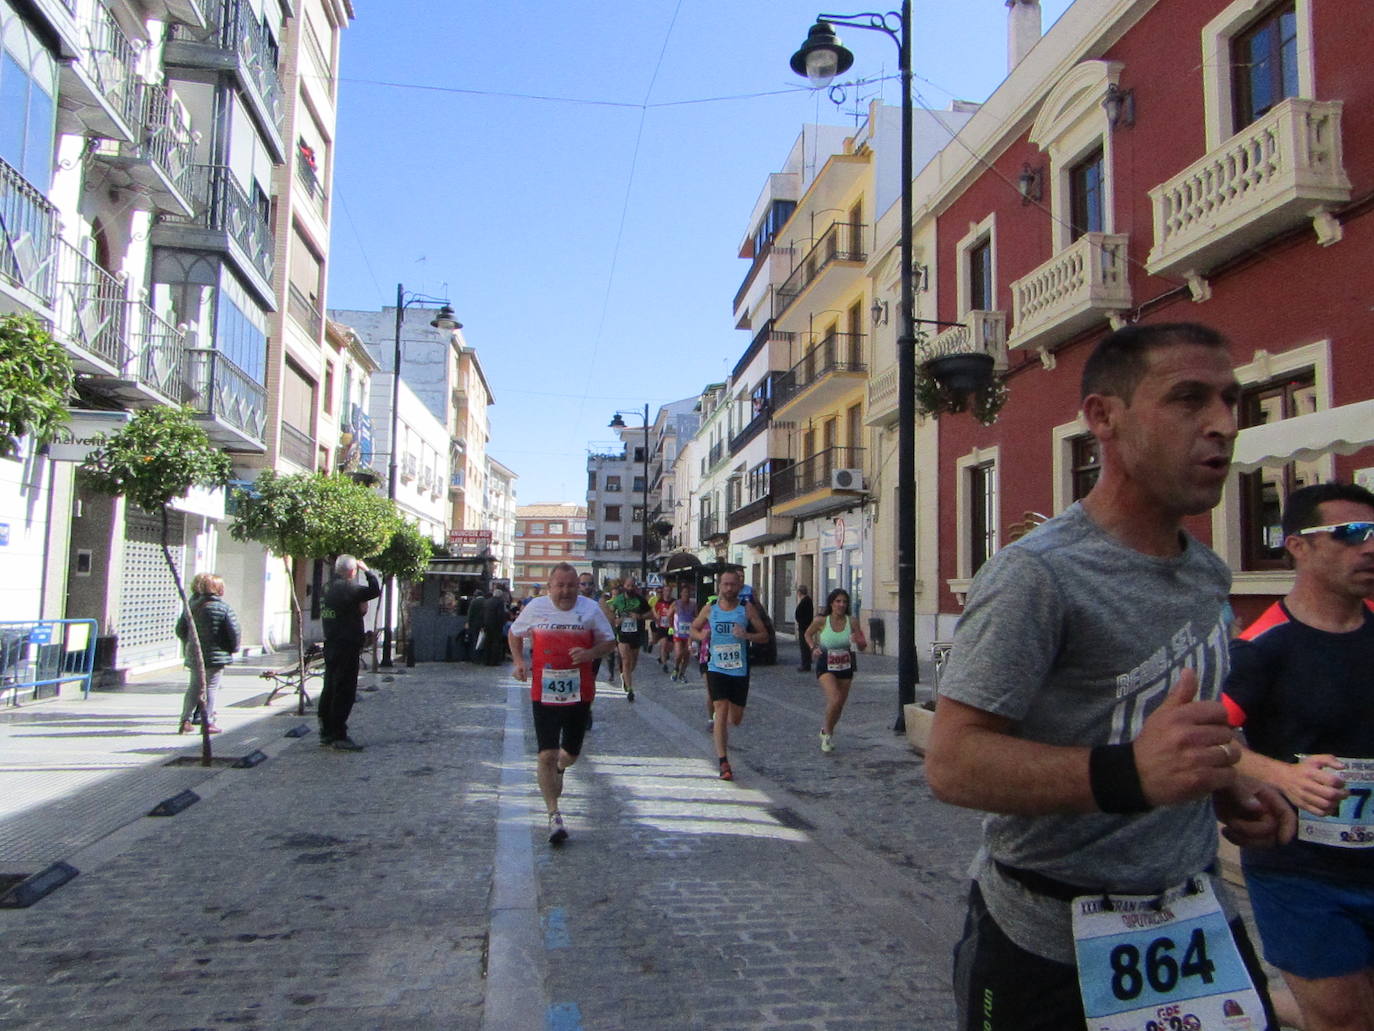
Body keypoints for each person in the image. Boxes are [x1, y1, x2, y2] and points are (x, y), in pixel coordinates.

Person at [926, 323, 1293, 1030]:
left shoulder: (1208, 573)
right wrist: (1131, 774)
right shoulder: (1038, 574)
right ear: (1103, 418)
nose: (1222, 424)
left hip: (1196, 926)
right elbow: (951, 761)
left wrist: (1222, 782)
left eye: (1230, 400)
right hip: (1049, 947)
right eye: (1189, 399)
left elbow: (1159, 726)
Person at [1222, 481, 1374, 1031]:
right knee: (1343, 1018)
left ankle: (1258, 1003)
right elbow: (1208, 736)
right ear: (1298, 547)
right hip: (1303, 872)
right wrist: (1281, 774)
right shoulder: (1265, 646)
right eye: (1350, 534)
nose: (1370, 547)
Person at [508, 562, 617, 844]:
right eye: (560, 585)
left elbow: (609, 642)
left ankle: (561, 767)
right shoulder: (535, 608)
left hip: (579, 692)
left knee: (569, 755)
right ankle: (553, 815)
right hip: (543, 691)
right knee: (545, 754)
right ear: (550, 587)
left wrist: (590, 652)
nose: (566, 591)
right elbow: (514, 633)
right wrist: (520, 662)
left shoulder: (590, 609)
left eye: (571, 585)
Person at [690, 568, 768, 781]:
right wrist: (701, 634)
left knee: (736, 718)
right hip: (716, 667)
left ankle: (721, 725)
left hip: (739, 668)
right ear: (720, 586)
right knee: (721, 710)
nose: (728, 588)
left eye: (733, 584)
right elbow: (693, 629)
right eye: (725, 584)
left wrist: (747, 634)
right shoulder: (711, 608)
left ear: (739, 587)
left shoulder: (746, 608)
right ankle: (723, 762)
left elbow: (764, 636)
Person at [319, 554, 382, 751]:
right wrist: (367, 570)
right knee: (345, 689)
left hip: (331, 642)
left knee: (329, 687)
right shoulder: (348, 588)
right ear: (352, 571)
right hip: (347, 644)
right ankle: (339, 734)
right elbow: (374, 590)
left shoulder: (327, 588)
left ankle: (326, 731)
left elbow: (345, 608)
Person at [174, 572, 240, 734]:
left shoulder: (192, 607)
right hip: (216, 655)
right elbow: (234, 632)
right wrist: (233, 648)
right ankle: (207, 721)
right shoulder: (223, 608)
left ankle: (185, 720)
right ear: (218, 589)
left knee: (194, 687)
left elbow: (180, 629)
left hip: (195, 654)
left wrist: (189, 644)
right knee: (211, 687)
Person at [804, 587, 867, 753]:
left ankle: (827, 732)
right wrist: (813, 648)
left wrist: (858, 640)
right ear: (831, 603)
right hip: (826, 663)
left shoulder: (852, 621)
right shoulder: (821, 621)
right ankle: (826, 733)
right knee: (834, 698)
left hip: (846, 664)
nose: (841, 605)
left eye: (844, 602)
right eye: (838, 601)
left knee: (839, 705)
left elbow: (862, 646)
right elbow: (807, 634)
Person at [604, 576, 650, 702]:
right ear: (624, 586)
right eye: (628, 586)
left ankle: (625, 675)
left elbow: (651, 614)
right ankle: (630, 689)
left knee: (633, 661)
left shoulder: (640, 600)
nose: (630, 588)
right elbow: (610, 613)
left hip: (636, 634)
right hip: (622, 634)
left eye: (632, 586)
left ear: (635, 587)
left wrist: (639, 616)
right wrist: (615, 620)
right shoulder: (618, 600)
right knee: (625, 659)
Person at [670, 583, 696, 683]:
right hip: (678, 633)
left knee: (686, 655)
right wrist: (671, 627)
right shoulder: (675, 603)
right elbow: (669, 615)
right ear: (681, 593)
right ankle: (676, 668)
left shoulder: (693, 604)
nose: (686, 594)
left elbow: (696, 617)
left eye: (688, 593)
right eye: (684, 592)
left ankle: (682, 674)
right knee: (678, 654)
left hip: (688, 634)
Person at [794, 584, 814, 672]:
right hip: (806, 626)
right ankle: (806, 663)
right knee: (805, 646)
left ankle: (805, 665)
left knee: (804, 646)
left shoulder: (805, 601)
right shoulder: (807, 600)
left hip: (804, 627)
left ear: (799, 592)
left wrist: (801, 622)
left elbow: (801, 614)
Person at [652, 590, 674, 672]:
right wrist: (656, 616)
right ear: (664, 593)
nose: (667, 593)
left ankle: (664, 655)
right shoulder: (659, 602)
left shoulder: (673, 602)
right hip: (662, 626)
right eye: (666, 591)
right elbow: (654, 610)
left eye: (669, 591)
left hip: (671, 627)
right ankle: (665, 665)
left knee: (670, 647)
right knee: (664, 644)